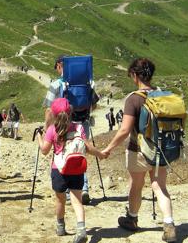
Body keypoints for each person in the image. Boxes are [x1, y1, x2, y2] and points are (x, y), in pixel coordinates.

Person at [101, 58, 177, 243]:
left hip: (139, 151)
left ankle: (132, 219)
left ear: (135, 75)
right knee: (160, 187)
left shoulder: (133, 99)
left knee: (136, 185)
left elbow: (125, 130)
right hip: (162, 150)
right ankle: (169, 225)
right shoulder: (161, 95)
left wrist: (108, 148)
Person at [37, 98, 105, 243]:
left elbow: (44, 150)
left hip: (59, 170)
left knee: (60, 200)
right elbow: (87, 147)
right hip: (76, 168)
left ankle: (60, 227)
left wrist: (39, 136)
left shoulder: (52, 130)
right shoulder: (78, 127)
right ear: (71, 112)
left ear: (54, 114)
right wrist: (100, 154)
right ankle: (81, 229)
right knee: (76, 200)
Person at [43, 55, 98, 205]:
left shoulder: (56, 85)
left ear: (60, 66)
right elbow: (94, 105)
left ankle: (67, 191)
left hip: (62, 125)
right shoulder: (87, 84)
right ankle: (83, 188)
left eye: (56, 67)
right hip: (82, 122)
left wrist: (47, 128)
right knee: (80, 152)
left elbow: (48, 110)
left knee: (62, 153)